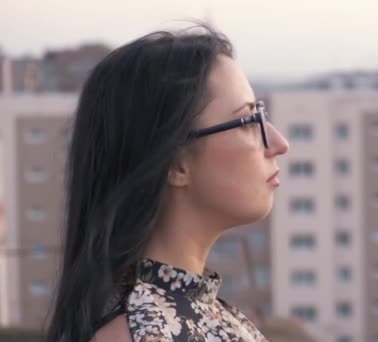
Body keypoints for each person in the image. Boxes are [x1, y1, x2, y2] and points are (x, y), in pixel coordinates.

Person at [45, 23, 289, 342]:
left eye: (261, 113)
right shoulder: (141, 333)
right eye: (248, 121)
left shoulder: (201, 314)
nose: (278, 142)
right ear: (175, 163)